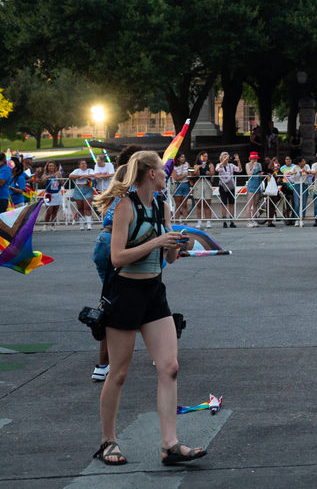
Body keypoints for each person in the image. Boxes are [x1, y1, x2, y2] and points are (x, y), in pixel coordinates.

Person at [92, 151, 206, 468]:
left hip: (154, 292)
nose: (166, 173)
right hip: (125, 293)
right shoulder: (125, 206)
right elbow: (117, 258)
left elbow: (168, 260)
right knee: (118, 373)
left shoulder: (162, 206)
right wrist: (156, 243)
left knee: (169, 366)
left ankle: (170, 445)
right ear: (150, 174)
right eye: (162, 169)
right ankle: (107, 441)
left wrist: (176, 246)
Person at [90, 146, 139, 383]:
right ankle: (103, 364)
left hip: (102, 243)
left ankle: (104, 363)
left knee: (117, 298)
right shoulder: (130, 196)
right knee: (117, 303)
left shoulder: (116, 194)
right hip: (115, 247)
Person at [190, 152, 215, 228]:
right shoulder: (196, 165)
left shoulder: (210, 164)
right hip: (198, 183)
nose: (206, 157)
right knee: (198, 204)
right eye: (204, 156)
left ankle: (208, 221)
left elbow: (212, 173)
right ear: (200, 157)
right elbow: (195, 174)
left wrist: (209, 172)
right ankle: (199, 221)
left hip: (207, 183)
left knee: (207, 203)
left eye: (207, 156)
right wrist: (199, 166)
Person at [215, 152, 239, 228]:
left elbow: (239, 170)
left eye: (227, 157)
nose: (226, 158)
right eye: (224, 157)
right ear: (221, 158)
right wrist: (223, 161)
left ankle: (231, 221)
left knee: (231, 203)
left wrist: (238, 161)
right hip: (222, 185)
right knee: (224, 203)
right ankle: (224, 221)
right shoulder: (219, 165)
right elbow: (217, 169)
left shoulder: (231, 165)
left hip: (231, 185)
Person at [70, 159, 96, 228]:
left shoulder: (89, 170)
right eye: (82, 163)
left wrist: (84, 176)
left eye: (85, 163)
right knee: (80, 207)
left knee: (87, 206)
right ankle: (81, 224)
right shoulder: (77, 171)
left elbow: (93, 175)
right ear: (79, 165)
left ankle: (89, 224)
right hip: (78, 189)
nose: (84, 165)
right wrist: (79, 176)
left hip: (87, 189)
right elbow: (71, 176)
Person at [243, 152, 264, 227]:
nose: (255, 160)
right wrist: (254, 167)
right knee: (250, 203)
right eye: (253, 159)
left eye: (256, 159)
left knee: (255, 203)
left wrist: (261, 174)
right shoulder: (247, 164)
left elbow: (260, 173)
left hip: (257, 184)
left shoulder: (259, 164)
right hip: (251, 184)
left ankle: (254, 219)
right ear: (250, 159)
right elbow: (249, 173)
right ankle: (249, 220)